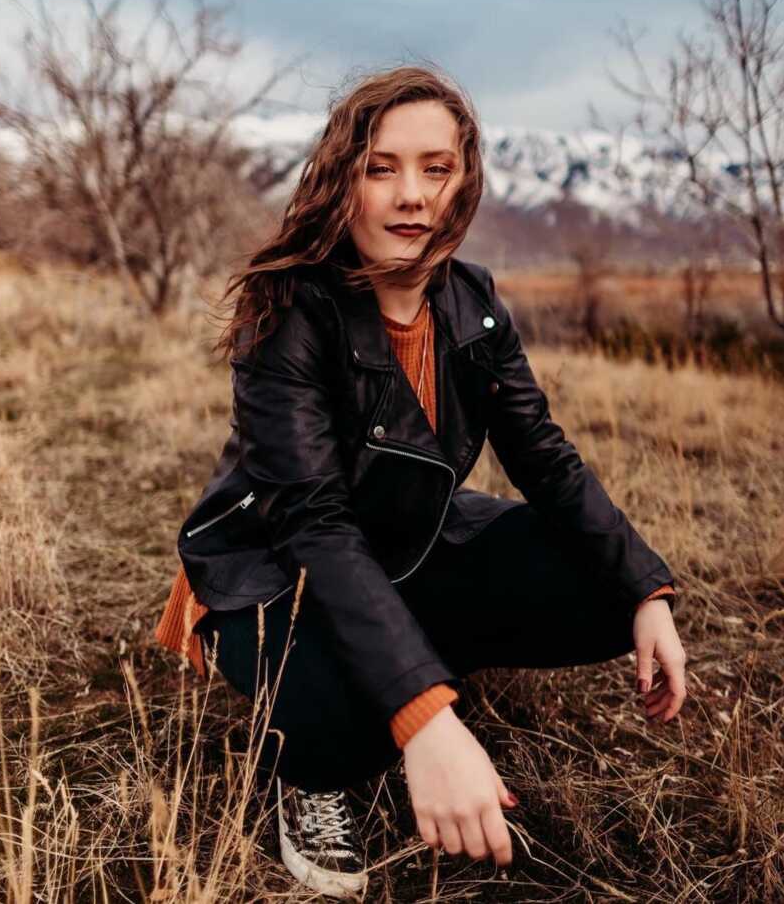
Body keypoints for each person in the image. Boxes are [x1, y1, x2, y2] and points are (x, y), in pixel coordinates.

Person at [154, 64, 686, 899]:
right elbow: (316, 525)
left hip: (405, 543)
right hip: (271, 569)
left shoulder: (472, 303)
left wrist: (646, 588)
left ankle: (414, 662)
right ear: (344, 181)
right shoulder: (288, 307)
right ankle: (314, 769)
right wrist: (425, 719)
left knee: (600, 580)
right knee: (346, 726)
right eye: (381, 168)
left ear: (463, 179)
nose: (412, 196)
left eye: (435, 168)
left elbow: (543, 457)